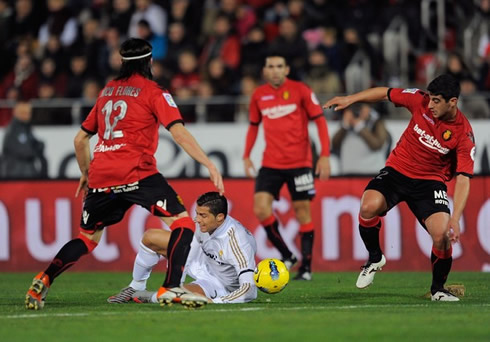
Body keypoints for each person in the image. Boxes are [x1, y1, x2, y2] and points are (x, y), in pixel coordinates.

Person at [25, 38, 224, 310]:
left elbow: (80, 140)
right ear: (150, 62)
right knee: (182, 223)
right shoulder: (154, 91)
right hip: (136, 172)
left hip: (101, 175)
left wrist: (85, 173)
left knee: (86, 239)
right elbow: (177, 132)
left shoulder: (108, 91)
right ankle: (171, 286)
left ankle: (43, 279)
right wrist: (209, 164)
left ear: (122, 63)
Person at [323, 74, 475, 301]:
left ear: (452, 102)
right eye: (430, 99)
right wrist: (351, 99)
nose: (430, 104)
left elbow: (463, 178)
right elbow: (385, 92)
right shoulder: (419, 100)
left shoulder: (463, 133)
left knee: (442, 234)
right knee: (368, 206)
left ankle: (438, 290)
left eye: (436, 101)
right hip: (397, 170)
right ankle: (375, 258)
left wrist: (456, 218)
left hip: (430, 182)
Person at [243, 53, 331, 281]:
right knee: (261, 209)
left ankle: (307, 268)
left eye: (279, 66)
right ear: (265, 71)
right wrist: (246, 155)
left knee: (303, 212)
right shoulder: (259, 95)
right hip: (270, 163)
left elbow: (320, 121)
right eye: (270, 66)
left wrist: (324, 156)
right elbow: (253, 126)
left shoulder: (301, 90)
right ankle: (287, 255)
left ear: (287, 69)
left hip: (300, 163)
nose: (274, 70)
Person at [108, 192, 257, 304]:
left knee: (178, 299)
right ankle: (136, 286)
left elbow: (249, 290)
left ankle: (145, 296)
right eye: (197, 214)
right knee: (150, 237)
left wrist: (218, 301)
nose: (197, 219)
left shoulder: (239, 242)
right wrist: (175, 283)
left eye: (203, 215)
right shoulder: (203, 224)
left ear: (220, 217)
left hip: (219, 283)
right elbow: (189, 246)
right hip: (202, 260)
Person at [331, 103, 390, 175]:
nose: (358, 111)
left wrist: (360, 127)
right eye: (355, 109)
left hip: (372, 174)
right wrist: (344, 126)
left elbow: (377, 145)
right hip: (348, 175)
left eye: (361, 108)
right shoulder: (346, 126)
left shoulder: (376, 122)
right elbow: (334, 144)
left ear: (369, 109)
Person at [1, 101, 47, 178]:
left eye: (29, 113)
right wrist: (36, 149)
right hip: (16, 174)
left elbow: (37, 144)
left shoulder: (25, 128)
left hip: (25, 172)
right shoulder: (14, 130)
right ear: (16, 113)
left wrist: (38, 146)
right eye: (24, 113)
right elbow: (26, 151)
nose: (28, 115)